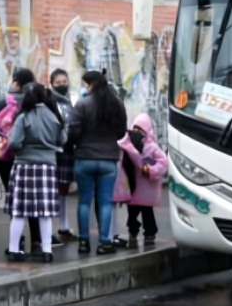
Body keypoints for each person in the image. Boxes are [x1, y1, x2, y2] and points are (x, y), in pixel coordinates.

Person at [5, 83, 66, 263]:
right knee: (45, 212)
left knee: (19, 211)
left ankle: (14, 249)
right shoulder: (54, 117)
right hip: (47, 167)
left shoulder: (23, 117)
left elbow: (14, 142)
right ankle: (47, 251)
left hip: (24, 166)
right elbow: (62, 139)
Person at [70, 70, 128, 255]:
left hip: (85, 158)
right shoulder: (116, 104)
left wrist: (79, 142)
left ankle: (84, 242)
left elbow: (73, 132)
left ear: (92, 84)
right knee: (105, 203)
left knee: (84, 202)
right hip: (108, 159)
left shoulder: (82, 104)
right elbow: (121, 133)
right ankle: (105, 242)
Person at [0, 68, 43, 252]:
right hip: (29, 156)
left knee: (14, 199)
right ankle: (36, 241)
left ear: (16, 82)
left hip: (5, 157)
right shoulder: (36, 102)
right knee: (33, 198)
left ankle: (16, 242)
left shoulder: (4, 101)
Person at [113, 114, 169, 248]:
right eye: (136, 128)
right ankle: (145, 234)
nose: (137, 132)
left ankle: (141, 233)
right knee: (141, 213)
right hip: (141, 188)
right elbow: (163, 163)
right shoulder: (144, 146)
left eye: (140, 129)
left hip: (135, 188)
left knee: (139, 213)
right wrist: (152, 170)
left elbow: (163, 163)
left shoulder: (132, 145)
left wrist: (151, 170)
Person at [49, 69, 77, 242]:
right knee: (52, 191)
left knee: (64, 190)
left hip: (68, 151)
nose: (61, 85)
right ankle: (51, 229)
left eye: (64, 81)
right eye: (58, 82)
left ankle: (64, 225)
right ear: (52, 83)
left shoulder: (71, 102)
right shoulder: (50, 101)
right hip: (54, 151)